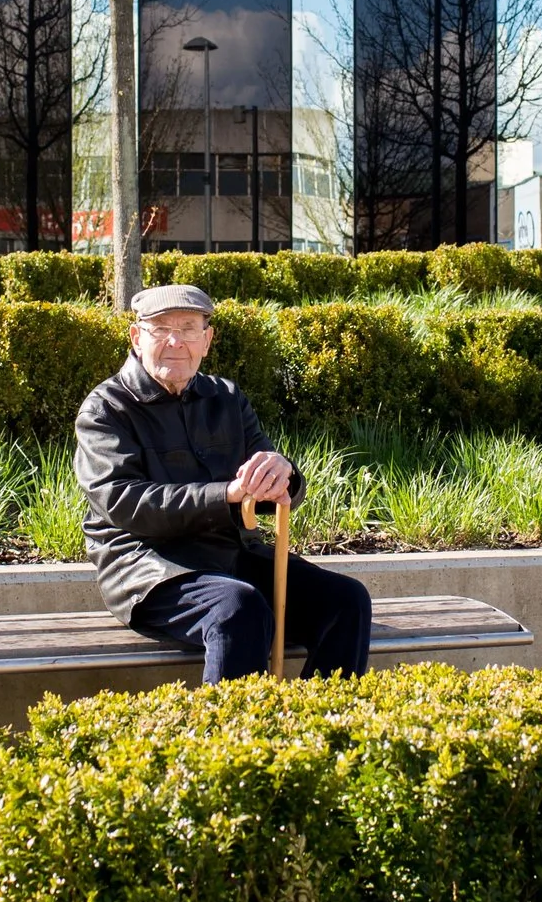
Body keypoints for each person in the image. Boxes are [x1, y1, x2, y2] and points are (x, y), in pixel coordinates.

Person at [74, 282, 373, 682]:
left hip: (234, 558)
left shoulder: (227, 398)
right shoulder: (106, 408)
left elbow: (271, 482)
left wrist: (281, 475)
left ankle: (314, 732)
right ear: (136, 336)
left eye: (189, 328)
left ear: (207, 340)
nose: (175, 341)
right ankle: (231, 741)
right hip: (149, 568)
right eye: (160, 328)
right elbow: (125, 503)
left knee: (347, 601)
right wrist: (228, 496)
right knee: (238, 608)